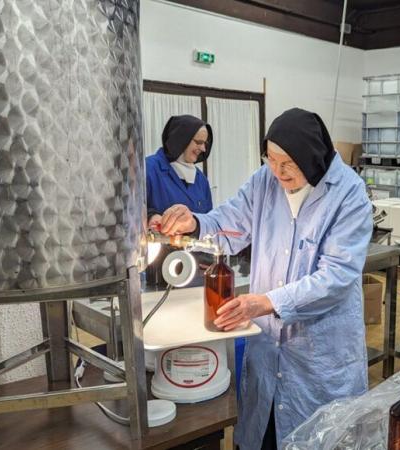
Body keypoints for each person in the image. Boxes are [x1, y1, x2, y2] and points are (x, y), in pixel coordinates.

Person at [157, 108, 372, 450]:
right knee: (264, 433)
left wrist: (268, 302)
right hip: (267, 346)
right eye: (270, 159)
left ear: (310, 156)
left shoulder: (348, 194)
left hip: (318, 354)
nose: (277, 170)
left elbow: (337, 276)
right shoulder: (265, 181)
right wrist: (195, 224)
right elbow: (229, 223)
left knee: (317, 438)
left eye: (287, 162)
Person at [146, 114, 213, 229]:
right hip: (159, 245)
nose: (203, 149)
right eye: (198, 142)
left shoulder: (201, 179)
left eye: (205, 143)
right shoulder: (148, 169)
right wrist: (150, 216)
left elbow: (208, 220)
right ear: (181, 139)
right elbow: (131, 211)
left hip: (195, 247)